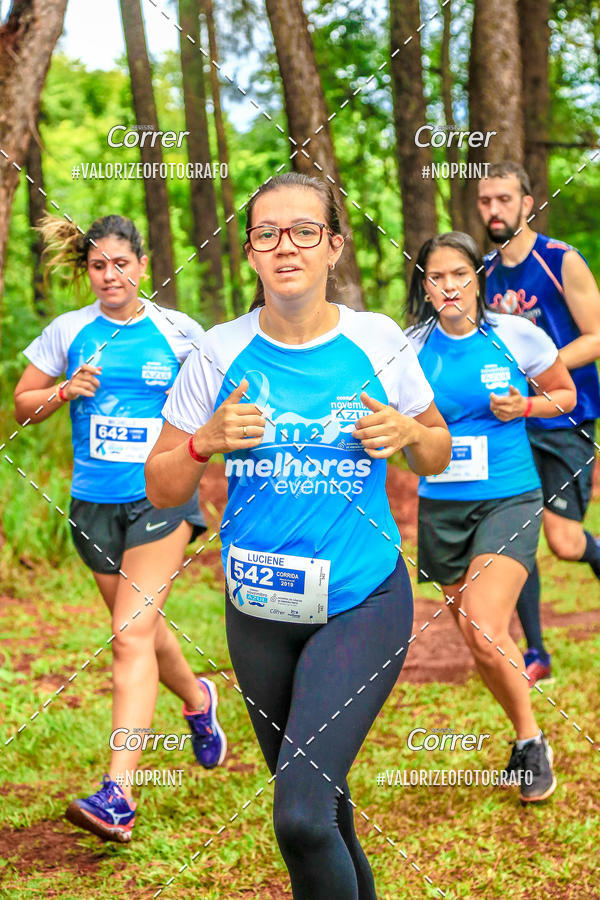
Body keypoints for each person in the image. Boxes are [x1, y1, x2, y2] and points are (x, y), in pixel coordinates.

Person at [145, 172, 451, 899]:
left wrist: (408, 430)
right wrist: (204, 442)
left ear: (333, 247)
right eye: (267, 233)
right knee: (327, 806)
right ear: (251, 252)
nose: (286, 246)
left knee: (302, 818)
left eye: (304, 231)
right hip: (258, 612)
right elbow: (161, 487)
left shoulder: (377, 340)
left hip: (361, 600)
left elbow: (437, 452)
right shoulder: (217, 352)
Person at [14, 215, 226, 843]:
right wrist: (62, 392)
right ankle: (197, 700)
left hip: (159, 499)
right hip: (93, 505)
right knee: (141, 628)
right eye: (99, 265)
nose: (111, 275)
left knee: (128, 636)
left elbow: (223, 388)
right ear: (89, 271)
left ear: (143, 266)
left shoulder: (178, 331)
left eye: (121, 263)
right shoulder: (70, 332)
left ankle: (118, 794)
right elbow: (25, 402)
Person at [406, 231, 576, 803]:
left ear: (477, 279)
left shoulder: (516, 335)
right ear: (425, 287)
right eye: (437, 277)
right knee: (479, 641)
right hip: (441, 506)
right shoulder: (408, 349)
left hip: (510, 496)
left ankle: (531, 739)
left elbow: (566, 395)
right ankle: (524, 736)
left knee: (483, 624)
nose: (449, 286)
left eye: (459, 274)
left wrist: (525, 405)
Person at [478, 161, 600, 685]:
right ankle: (536, 652)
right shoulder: (481, 271)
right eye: (485, 201)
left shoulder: (560, 261)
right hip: (510, 423)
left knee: (565, 542)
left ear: (527, 204)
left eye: (504, 199)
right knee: (515, 535)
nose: (494, 210)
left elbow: (596, 337)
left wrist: (538, 372)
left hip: (567, 417)